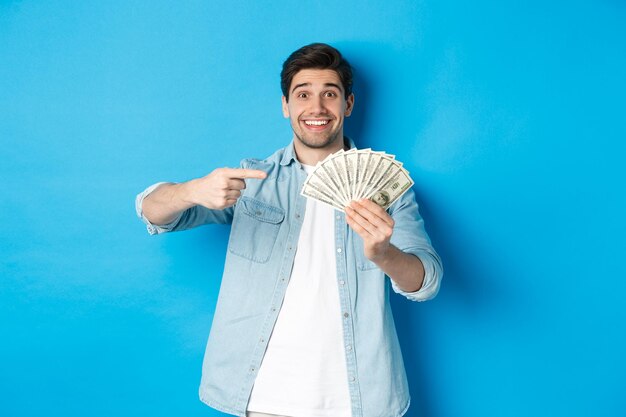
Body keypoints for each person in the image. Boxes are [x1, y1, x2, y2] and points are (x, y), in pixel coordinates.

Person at [136, 43, 442, 417]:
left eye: (330, 94)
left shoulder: (388, 188)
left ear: (348, 104)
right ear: (286, 105)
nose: (316, 108)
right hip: (262, 395)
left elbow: (425, 282)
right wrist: (192, 190)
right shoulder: (252, 180)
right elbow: (151, 211)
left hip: (358, 398)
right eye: (303, 95)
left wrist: (384, 254)